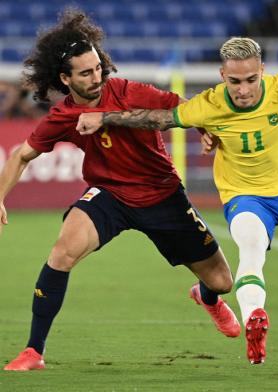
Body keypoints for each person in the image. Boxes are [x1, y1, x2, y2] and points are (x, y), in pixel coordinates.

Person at [77, 37, 278, 365]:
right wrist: (106, 118)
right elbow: (159, 119)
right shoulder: (209, 104)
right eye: (235, 81)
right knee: (251, 251)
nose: (243, 90)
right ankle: (255, 319)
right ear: (222, 74)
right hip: (245, 198)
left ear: (262, 72)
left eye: (251, 80)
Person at [1, 10, 241, 372]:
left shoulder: (130, 92)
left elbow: (183, 108)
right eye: (85, 72)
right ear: (65, 79)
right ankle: (34, 351)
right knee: (62, 251)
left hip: (163, 196)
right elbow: (21, 155)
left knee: (222, 282)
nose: (97, 77)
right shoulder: (62, 117)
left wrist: (202, 127)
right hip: (109, 195)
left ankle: (205, 298)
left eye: (98, 67)